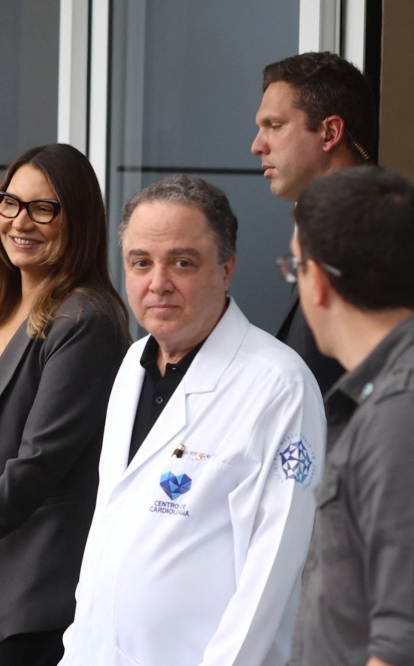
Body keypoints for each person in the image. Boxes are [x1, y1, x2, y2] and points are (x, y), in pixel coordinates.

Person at [59, 175, 326, 666]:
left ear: (226, 269)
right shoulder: (133, 363)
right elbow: (108, 533)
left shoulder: (279, 386)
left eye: (182, 262)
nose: (157, 283)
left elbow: (272, 573)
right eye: (141, 263)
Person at [0, 144, 129, 666]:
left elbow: (38, 464)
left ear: (78, 220)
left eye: (44, 208)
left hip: (45, 590)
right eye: (10, 203)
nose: (21, 221)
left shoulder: (83, 318)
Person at [286, 167, 414, 666]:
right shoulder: (383, 398)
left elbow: (401, 638)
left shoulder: (396, 412)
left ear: (316, 281)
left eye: (294, 268)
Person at [251, 51, 378, 393]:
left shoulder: (381, 232)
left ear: (329, 132)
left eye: (274, 126)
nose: (257, 146)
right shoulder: (332, 223)